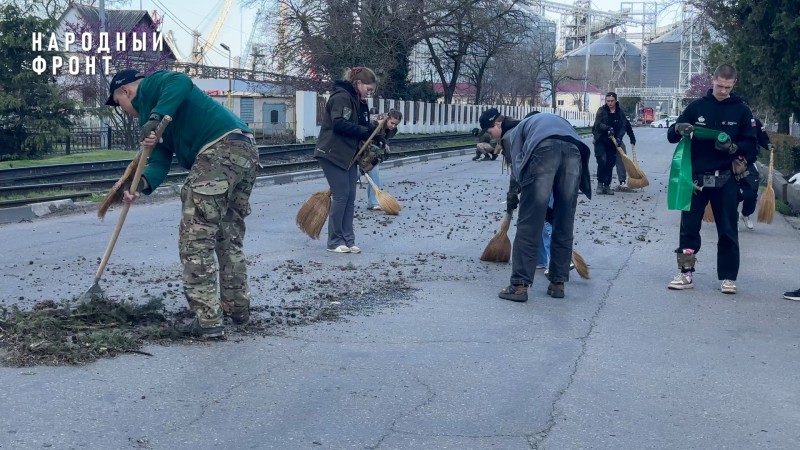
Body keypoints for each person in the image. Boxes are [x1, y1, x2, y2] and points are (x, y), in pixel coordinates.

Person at [108, 68, 259, 339]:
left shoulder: (153, 87)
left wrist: (155, 117)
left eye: (120, 104)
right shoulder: (153, 123)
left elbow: (181, 81)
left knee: (195, 240)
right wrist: (140, 185)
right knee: (228, 235)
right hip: (244, 150)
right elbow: (159, 161)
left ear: (126, 91)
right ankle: (237, 309)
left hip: (218, 150)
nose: (125, 111)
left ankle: (208, 320)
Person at [482, 108, 591, 302]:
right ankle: (558, 284)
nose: (492, 138)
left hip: (545, 149)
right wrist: (549, 213)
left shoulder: (513, 133)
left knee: (529, 223)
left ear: (498, 124)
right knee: (563, 220)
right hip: (574, 151)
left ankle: (519, 286)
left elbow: (518, 171)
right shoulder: (535, 123)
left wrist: (515, 198)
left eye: (491, 133)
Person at [666, 64, 757, 294]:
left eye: (727, 86)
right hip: (695, 180)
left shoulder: (742, 111)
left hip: (726, 179)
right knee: (689, 228)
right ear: (712, 80)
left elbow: (751, 146)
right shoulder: (696, 107)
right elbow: (671, 135)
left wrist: (734, 147)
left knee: (728, 230)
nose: (723, 90)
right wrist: (679, 128)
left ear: (734, 83)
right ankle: (685, 273)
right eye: (719, 85)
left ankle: (728, 277)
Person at [314, 66, 378, 253]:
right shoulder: (341, 97)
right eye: (368, 89)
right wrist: (364, 131)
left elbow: (364, 126)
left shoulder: (359, 101)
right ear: (358, 83)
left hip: (349, 155)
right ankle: (334, 242)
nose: (369, 93)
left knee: (350, 197)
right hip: (331, 153)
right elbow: (339, 124)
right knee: (341, 196)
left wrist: (378, 135)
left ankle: (349, 240)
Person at [592, 92, 637, 194]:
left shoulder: (620, 113)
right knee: (602, 160)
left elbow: (623, 126)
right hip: (601, 140)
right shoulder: (602, 111)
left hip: (613, 141)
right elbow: (598, 125)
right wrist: (608, 128)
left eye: (612, 101)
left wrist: (621, 137)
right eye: (608, 101)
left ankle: (607, 186)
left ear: (616, 101)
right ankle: (600, 184)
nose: (610, 103)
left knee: (610, 163)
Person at [366, 109, 402, 211]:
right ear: (387, 119)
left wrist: (386, 145)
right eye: (392, 123)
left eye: (396, 124)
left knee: (374, 173)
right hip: (363, 152)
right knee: (356, 175)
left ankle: (372, 202)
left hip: (373, 155)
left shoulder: (393, 130)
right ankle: (338, 197)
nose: (393, 126)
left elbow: (386, 139)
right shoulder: (374, 124)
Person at [737, 116, 769, 230]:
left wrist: (768, 145)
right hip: (730, 162)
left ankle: (745, 214)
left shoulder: (754, 123)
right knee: (731, 192)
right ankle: (732, 217)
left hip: (749, 163)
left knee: (751, 192)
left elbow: (763, 138)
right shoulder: (726, 119)